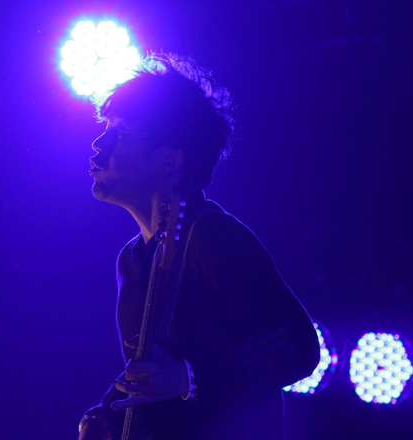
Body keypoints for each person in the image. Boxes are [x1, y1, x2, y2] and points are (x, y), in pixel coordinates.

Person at [79, 53, 320, 440]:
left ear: (168, 162)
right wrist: (106, 417)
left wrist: (189, 378)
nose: (98, 144)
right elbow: (153, 380)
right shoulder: (132, 259)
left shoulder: (214, 237)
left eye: (119, 133)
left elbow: (298, 347)